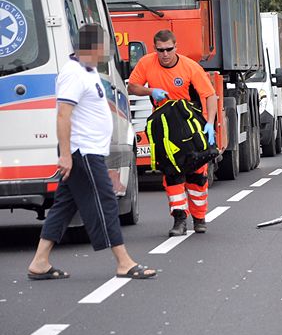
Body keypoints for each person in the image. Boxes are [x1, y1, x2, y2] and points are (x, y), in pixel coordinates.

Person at [27, 25, 157, 280]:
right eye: (103, 48)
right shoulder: (73, 74)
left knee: (65, 205)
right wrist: (65, 155)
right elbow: (63, 115)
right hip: (81, 151)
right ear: (93, 47)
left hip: (88, 151)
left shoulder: (88, 71)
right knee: (105, 202)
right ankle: (123, 261)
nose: (105, 53)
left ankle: (39, 262)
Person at [128, 30, 218, 237]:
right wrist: (151, 91)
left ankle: (199, 217)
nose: (165, 54)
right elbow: (132, 86)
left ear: (176, 47)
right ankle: (179, 219)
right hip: (164, 127)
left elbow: (210, 96)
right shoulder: (146, 63)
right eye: (160, 50)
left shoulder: (190, 67)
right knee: (172, 173)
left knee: (197, 175)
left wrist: (210, 124)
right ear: (155, 49)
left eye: (169, 49)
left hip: (190, 124)